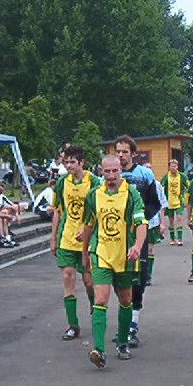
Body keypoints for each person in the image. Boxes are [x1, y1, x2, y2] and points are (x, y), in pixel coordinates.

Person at [82, 154, 147, 368]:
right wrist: (84, 253)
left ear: (121, 170)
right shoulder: (94, 195)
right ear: (101, 171)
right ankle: (99, 350)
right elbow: (88, 225)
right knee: (100, 299)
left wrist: (137, 246)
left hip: (125, 256)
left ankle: (122, 342)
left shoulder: (131, 193)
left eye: (114, 171)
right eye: (107, 171)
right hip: (100, 253)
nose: (111, 175)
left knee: (126, 300)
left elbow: (141, 222)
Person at [51, 145, 101, 341]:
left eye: (73, 162)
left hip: (87, 242)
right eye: (66, 162)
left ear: (82, 162)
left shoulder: (94, 182)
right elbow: (57, 211)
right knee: (68, 277)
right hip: (66, 239)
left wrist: (88, 230)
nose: (69, 165)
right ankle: (73, 325)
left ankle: (94, 305)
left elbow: (99, 211)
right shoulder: (62, 183)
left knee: (89, 281)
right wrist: (53, 238)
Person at [115, 135, 161, 348]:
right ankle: (124, 324)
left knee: (138, 278)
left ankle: (133, 324)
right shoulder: (110, 175)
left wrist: (141, 220)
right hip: (115, 236)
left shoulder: (145, 174)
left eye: (124, 151)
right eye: (118, 151)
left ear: (133, 153)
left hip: (138, 235)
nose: (121, 155)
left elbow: (155, 203)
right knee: (119, 279)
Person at [143, 163, 167, 286]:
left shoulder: (157, 185)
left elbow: (162, 204)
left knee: (150, 249)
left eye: (150, 169)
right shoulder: (137, 184)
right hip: (140, 222)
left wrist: (162, 223)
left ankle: (148, 275)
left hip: (153, 222)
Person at [161, 159, 189, 246]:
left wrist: (186, 197)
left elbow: (188, 186)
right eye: (171, 166)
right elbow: (161, 188)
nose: (173, 168)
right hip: (169, 202)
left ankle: (180, 239)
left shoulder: (182, 176)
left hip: (179, 201)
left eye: (175, 166)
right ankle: (172, 239)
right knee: (171, 220)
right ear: (169, 167)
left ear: (177, 167)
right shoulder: (166, 177)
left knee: (179, 218)